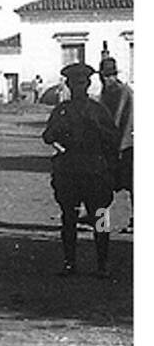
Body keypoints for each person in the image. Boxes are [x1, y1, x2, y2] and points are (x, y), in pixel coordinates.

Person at [42, 62, 119, 277]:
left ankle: (84, 264)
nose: (77, 86)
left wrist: (63, 149)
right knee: (87, 217)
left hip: (80, 172)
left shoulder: (71, 110)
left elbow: (49, 137)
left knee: (84, 217)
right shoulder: (87, 110)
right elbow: (111, 140)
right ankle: (87, 264)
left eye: (79, 82)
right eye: (76, 83)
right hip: (84, 172)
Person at [98, 57, 134, 232]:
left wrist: (120, 147)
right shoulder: (105, 94)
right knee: (101, 188)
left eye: (109, 76)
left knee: (133, 186)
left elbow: (126, 122)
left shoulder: (124, 92)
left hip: (126, 148)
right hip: (109, 148)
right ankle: (100, 224)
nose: (106, 80)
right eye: (104, 76)